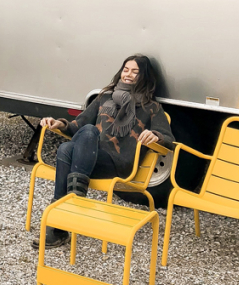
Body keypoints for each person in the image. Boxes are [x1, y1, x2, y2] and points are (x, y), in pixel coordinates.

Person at [31, 54, 174, 249]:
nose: (128, 75)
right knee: (72, 142)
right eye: (126, 70)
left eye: (135, 71)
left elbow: (169, 139)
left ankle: (60, 222)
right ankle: (75, 200)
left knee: (70, 147)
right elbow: (77, 125)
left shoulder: (151, 107)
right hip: (88, 159)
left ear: (144, 76)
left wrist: (156, 136)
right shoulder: (104, 97)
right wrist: (59, 124)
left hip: (117, 164)